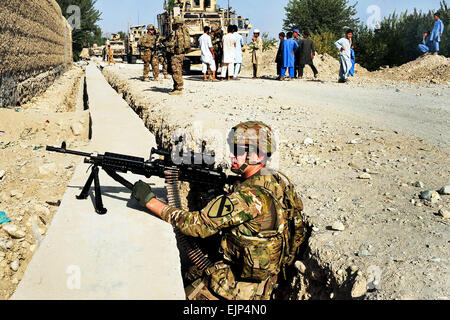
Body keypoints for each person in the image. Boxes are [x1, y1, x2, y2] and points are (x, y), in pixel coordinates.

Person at [130, 121, 307, 300]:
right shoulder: (277, 181)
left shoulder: (248, 197)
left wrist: (149, 201)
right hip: (266, 281)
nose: (231, 155)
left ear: (257, 155)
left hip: (236, 289)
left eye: (238, 151)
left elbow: (196, 225)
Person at [165, 17, 190, 94]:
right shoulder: (184, 31)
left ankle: (178, 88)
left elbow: (173, 44)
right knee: (177, 69)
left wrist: (165, 43)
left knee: (176, 70)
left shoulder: (178, 32)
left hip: (177, 54)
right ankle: (176, 87)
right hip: (180, 54)